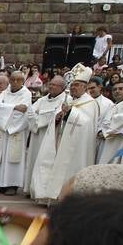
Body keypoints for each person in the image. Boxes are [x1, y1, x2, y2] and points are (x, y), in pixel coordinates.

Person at [33, 67, 99, 203]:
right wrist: (57, 118)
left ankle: (69, 198)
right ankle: (53, 196)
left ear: (85, 87)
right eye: (72, 85)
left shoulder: (90, 103)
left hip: (77, 147)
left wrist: (70, 113)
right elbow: (55, 118)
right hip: (61, 141)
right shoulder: (69, 101)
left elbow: (86, 124)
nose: (73, 88)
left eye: (77, 85)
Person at [0, 70, 32, 195]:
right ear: (10, 80)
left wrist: (7, 108)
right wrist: (14, 107)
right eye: (13, 79)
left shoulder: (26, 94)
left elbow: (24, 110)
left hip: (16, 130)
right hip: (3, 129)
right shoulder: (5, 92)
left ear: (23, 81)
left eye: (18, 80)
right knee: (0, 157)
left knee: (12, 158)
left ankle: (12, 185)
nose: (15, 82)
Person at [22, 74, 67, 197]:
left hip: (52, 135)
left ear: (62, 87)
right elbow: (30, 112)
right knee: (33, 159)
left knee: (45, 163)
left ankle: (42, 191)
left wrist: (42, 119)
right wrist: (40, 121)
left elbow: (58, 116)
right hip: (37, 135)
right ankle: (31, 188)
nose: (51, 87)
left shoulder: (64, 100)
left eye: (54, 85)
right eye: (50, 84)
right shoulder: (42, 100)